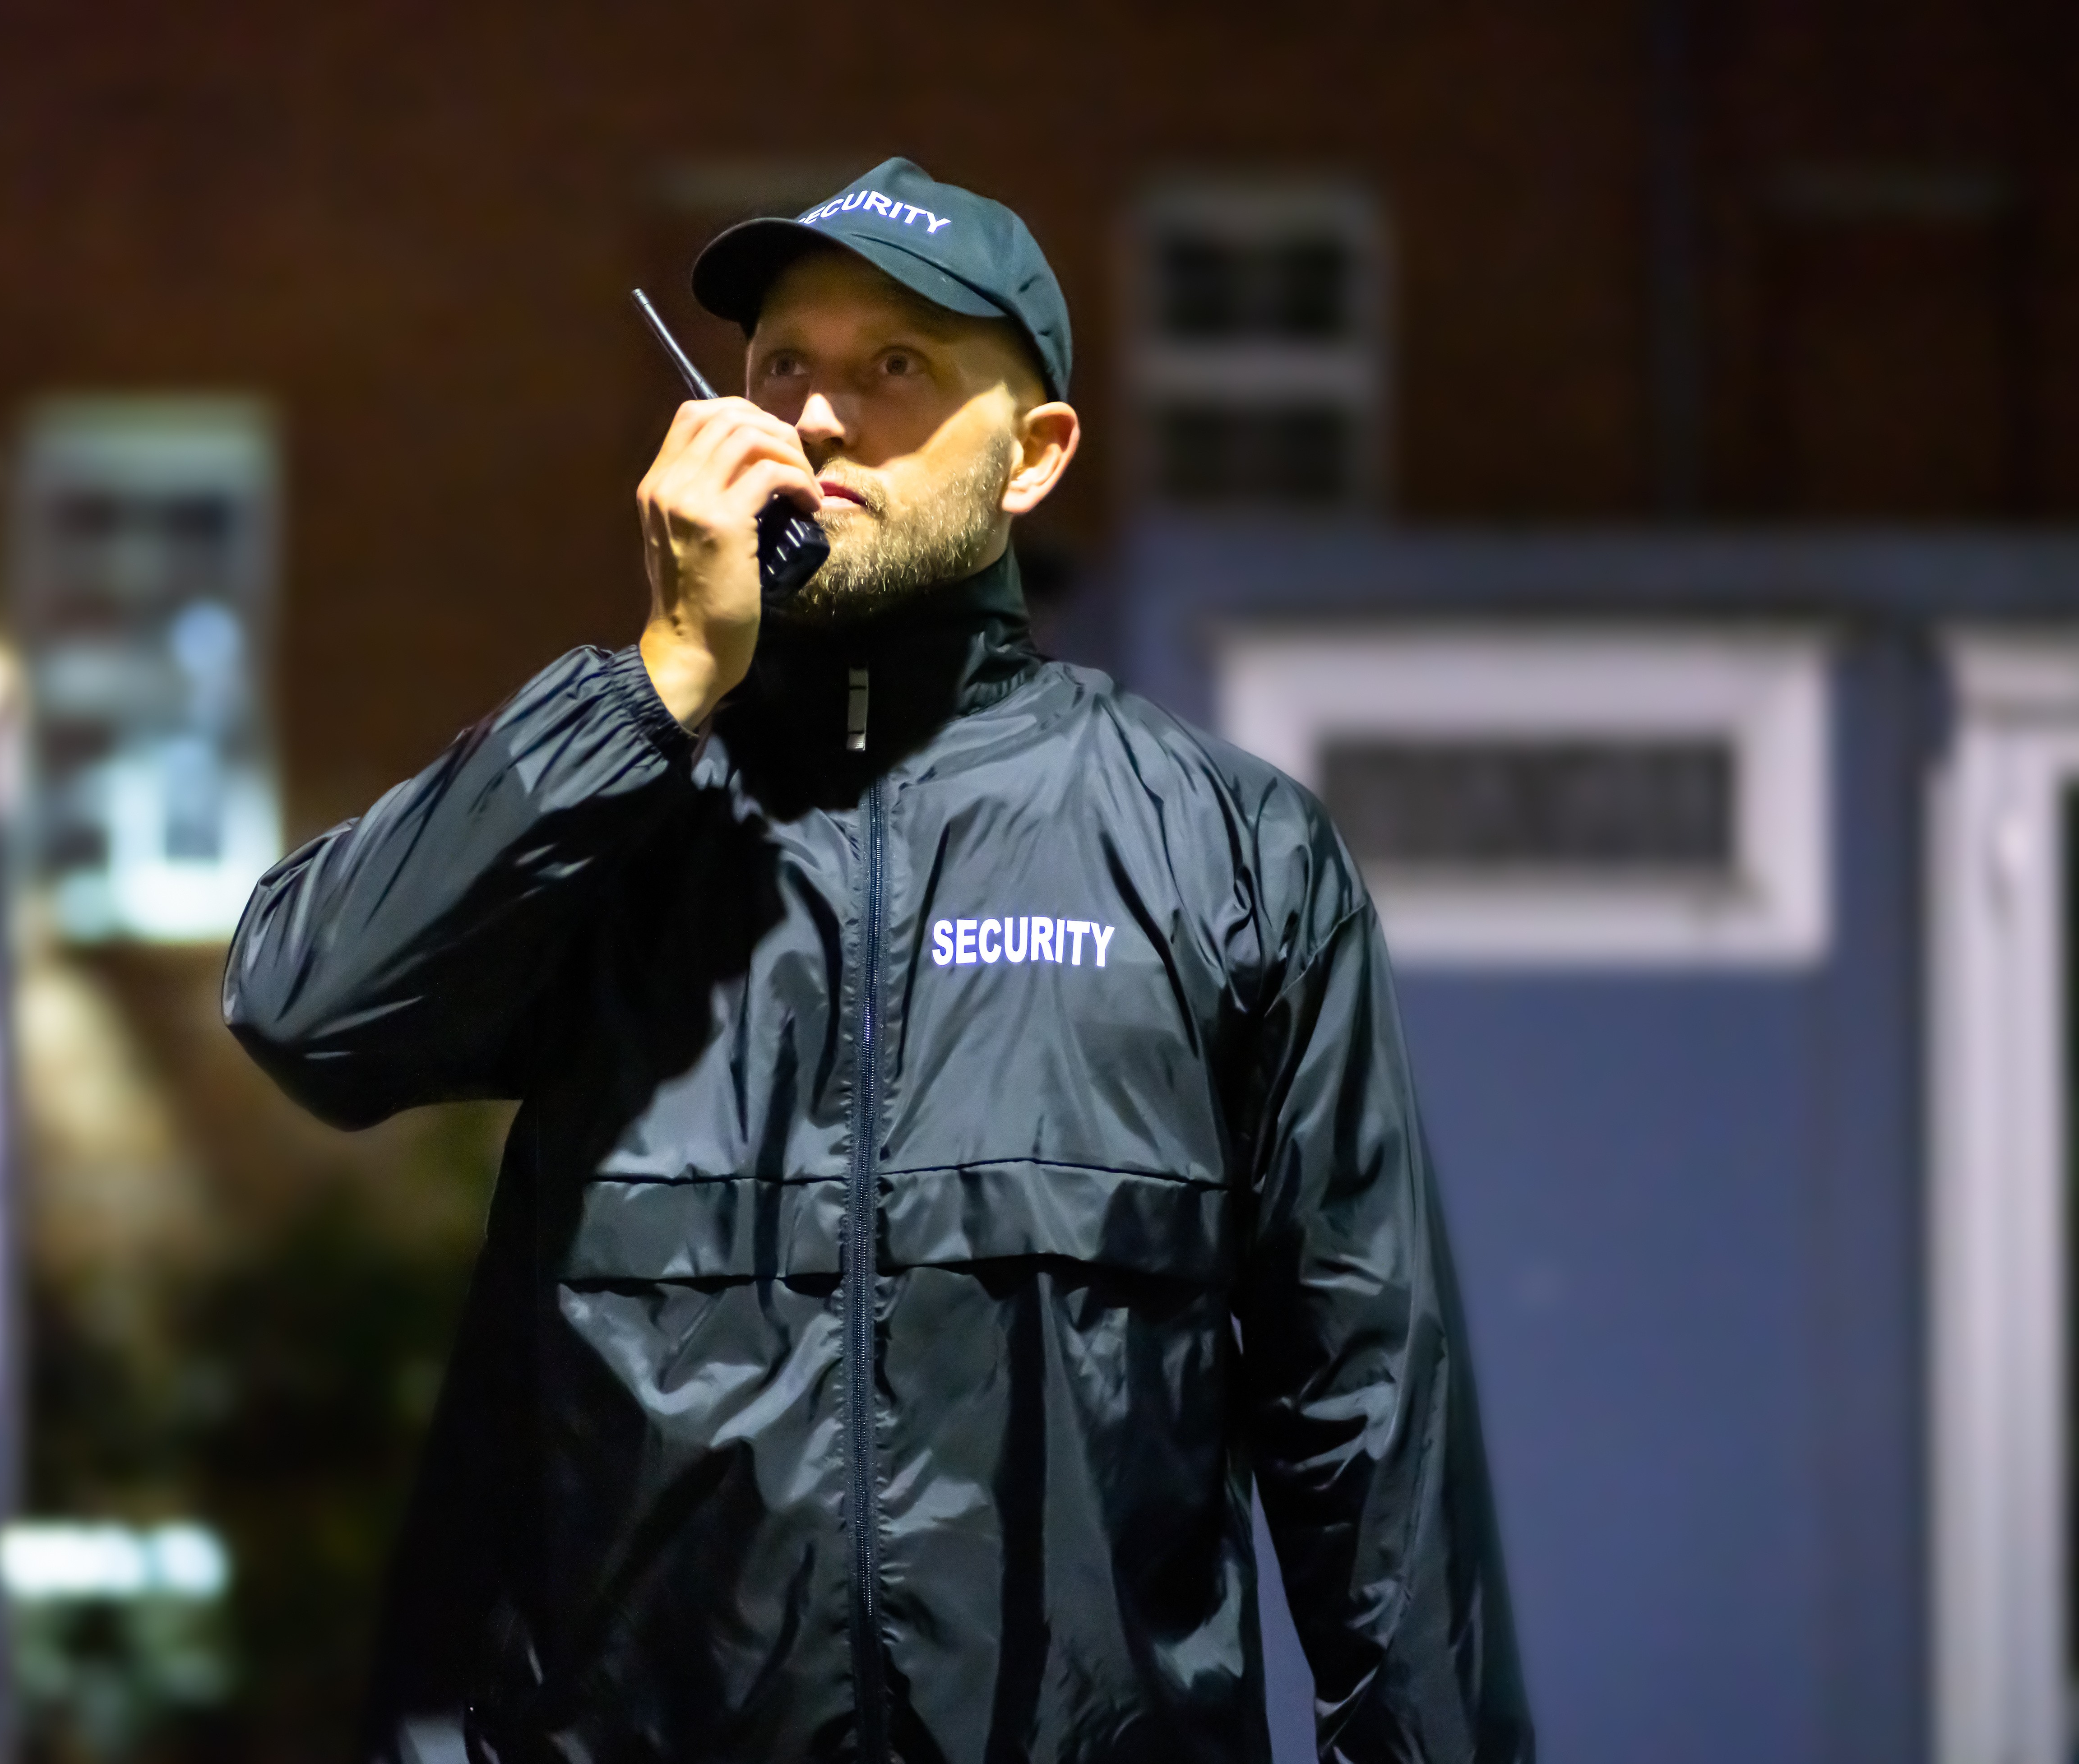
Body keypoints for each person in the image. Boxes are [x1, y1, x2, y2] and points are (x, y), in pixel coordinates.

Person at [224, 157, 1531, 1764]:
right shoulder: (611, 815)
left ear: (1035, 457)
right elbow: (308, 1010)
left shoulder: (1229, 854)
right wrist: (661, 679)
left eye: (894, 368)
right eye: (782, 367)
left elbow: (1370, 1417)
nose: (818, 421)